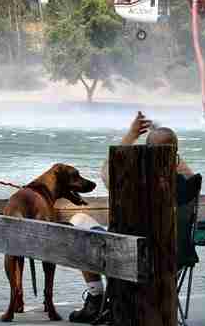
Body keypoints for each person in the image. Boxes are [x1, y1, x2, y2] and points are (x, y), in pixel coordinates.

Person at [68, 112, 193, 323]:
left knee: (78, 221)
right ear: (176, 156)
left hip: (130, 254)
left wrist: (132, 135)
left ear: (145, 152)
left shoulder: (131, 183)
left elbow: (107, 171)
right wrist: (170, 150)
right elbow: (185, 170)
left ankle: (96, 297)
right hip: (174, 257)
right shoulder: (188, 185)